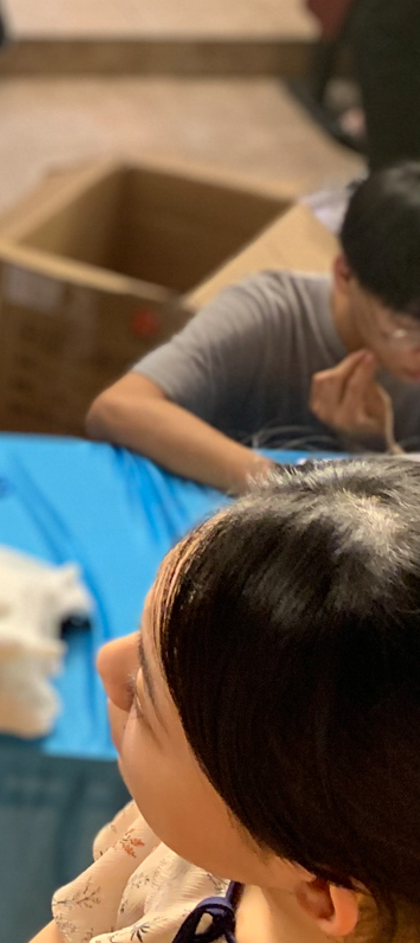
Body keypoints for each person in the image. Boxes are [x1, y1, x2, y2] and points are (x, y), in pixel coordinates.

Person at [33, 455, 420, 943]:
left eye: (144, 702)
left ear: (321, 892)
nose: (108, 664)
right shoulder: (202, 834)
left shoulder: (208, 828)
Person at [86, 165, 420, 495]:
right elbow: (117, 408)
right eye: (406, 328)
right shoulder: (268, 312)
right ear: (345, 275)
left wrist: (374, 442)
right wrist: (281, 485)